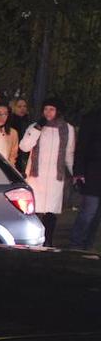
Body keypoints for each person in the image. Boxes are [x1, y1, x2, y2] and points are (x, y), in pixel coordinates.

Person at [19, 98, 76, 246]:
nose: (48, 112)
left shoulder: (67, 128)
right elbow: (24, 147)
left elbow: (68, 154)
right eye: (46, 109)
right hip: (35, 176)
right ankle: (32, 241)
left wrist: (75, 173)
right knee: (34, 211)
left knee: (50, 213)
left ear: (58, 111)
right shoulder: (35, 126)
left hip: (54, 178)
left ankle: (48, 242)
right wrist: (37, 129)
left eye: (51, 109)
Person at [69, 106, 101, 250]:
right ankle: (77, 243)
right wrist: (79, 172)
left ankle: (87, 244)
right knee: (89, 211)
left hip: (92, 171)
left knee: (96, 215)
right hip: (92, 172)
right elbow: (81, 147)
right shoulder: (91, 118)